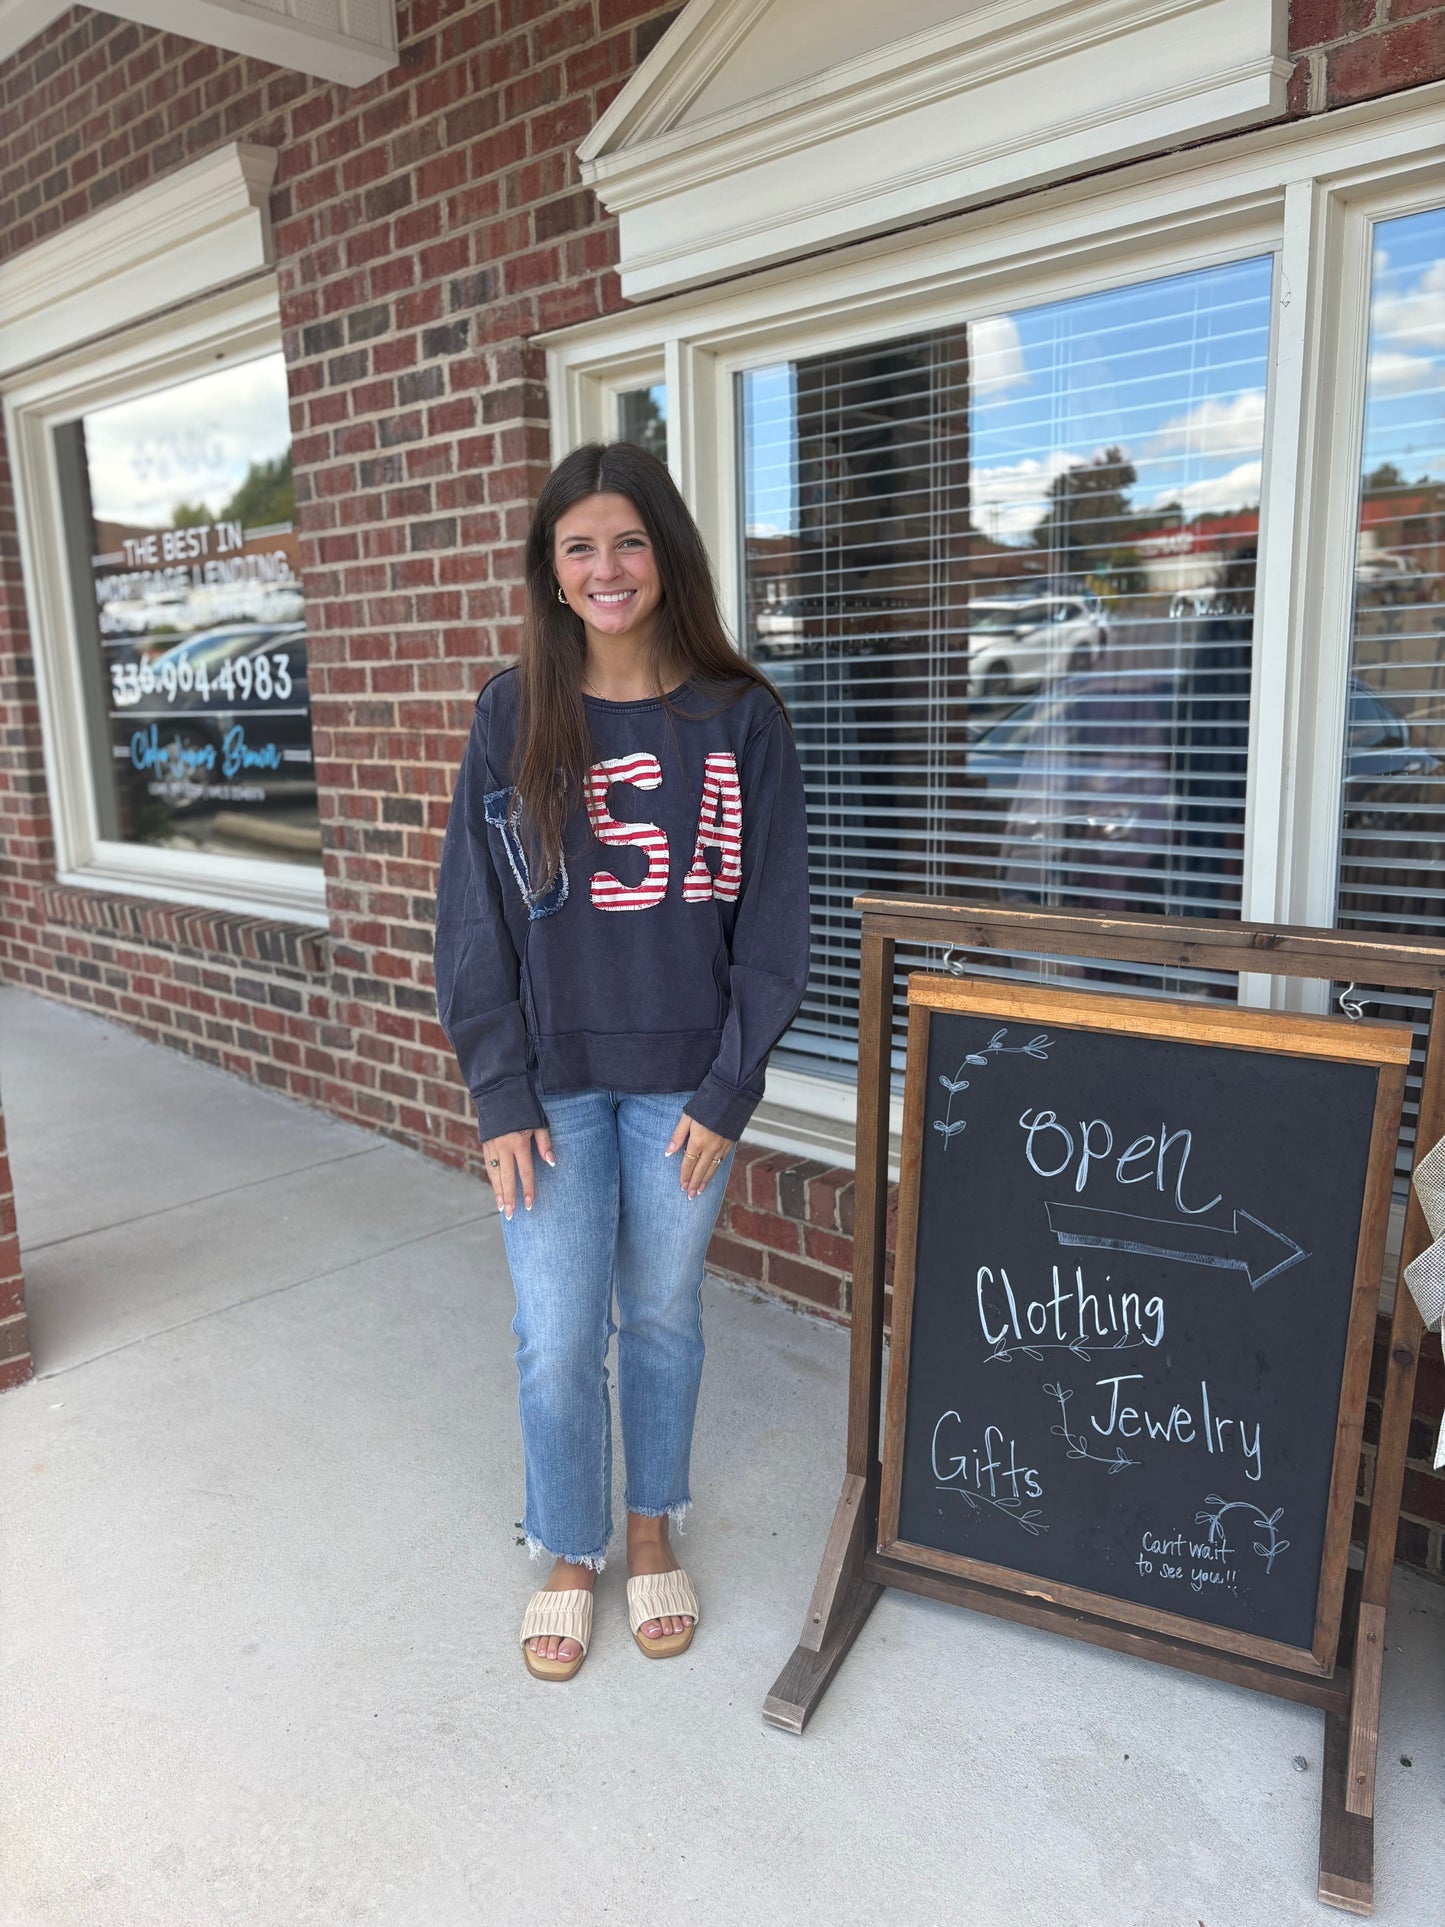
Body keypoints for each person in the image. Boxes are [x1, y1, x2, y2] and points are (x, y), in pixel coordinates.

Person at [433, 442, 811, 1680]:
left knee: (656, 1314)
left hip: (683, 1091)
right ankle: (568, 1541)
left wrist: (729, 1084)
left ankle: (650, 1524)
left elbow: (773, 925)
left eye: (630, 540)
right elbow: (472, 918)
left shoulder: (738, 717)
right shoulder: (511, 713)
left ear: (668, 555)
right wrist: (494, 1090)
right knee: (553, 1331)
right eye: (579, 545)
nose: (607, 567)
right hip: (544, 1089)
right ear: (550, 570)